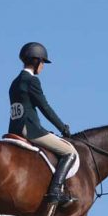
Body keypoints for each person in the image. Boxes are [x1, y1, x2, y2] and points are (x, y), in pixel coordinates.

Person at [8, 42, 77, 205]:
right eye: (43, 63)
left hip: (14, 128)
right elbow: (44, 107)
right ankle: (55, 191)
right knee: (69, 152)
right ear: (36, 61)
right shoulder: (31, 81)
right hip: (30, 130)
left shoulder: (15, 82)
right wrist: (62, 127)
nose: (43, 67)